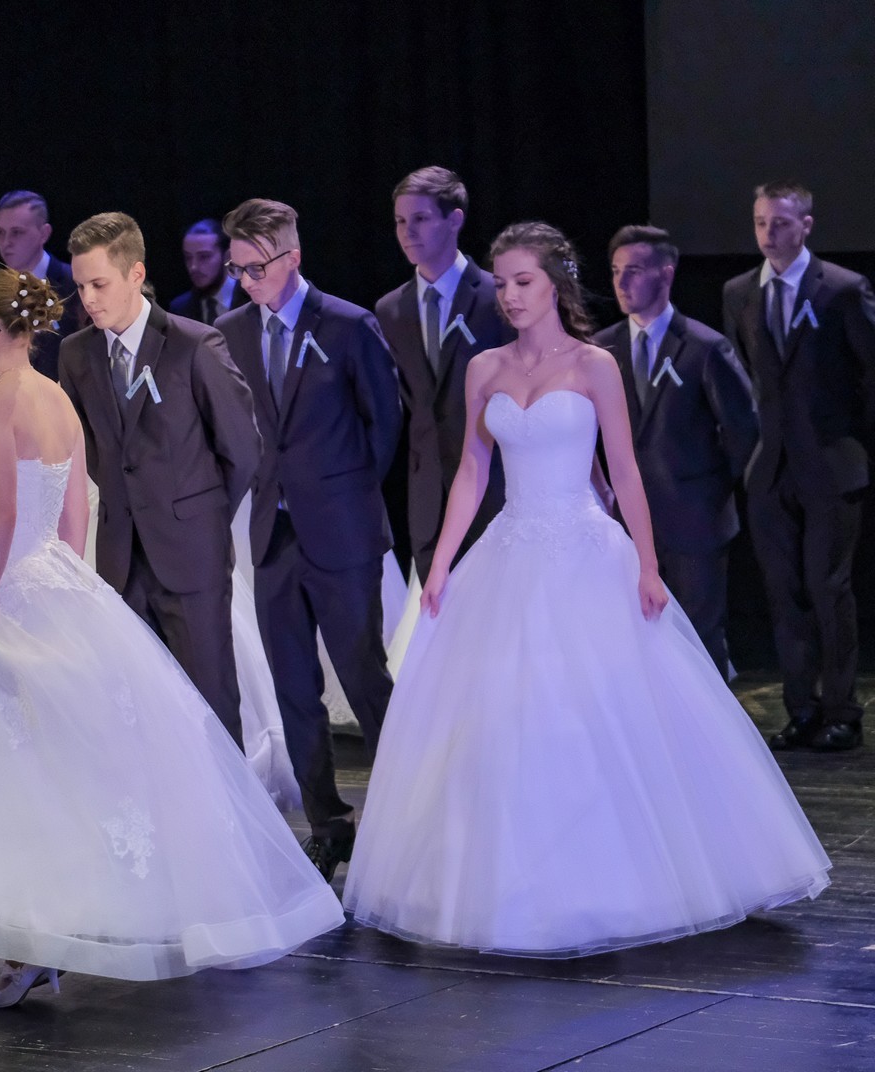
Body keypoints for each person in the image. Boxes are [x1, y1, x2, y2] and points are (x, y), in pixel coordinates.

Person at [0, 267, 342, 1006]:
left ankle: (29, 936)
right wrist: (66, 589)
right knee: (50, 768)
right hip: (57, 581)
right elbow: (74, 515)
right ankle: (37, 939)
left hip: (3, 586)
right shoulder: (57, 397)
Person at [344, 223, 830, 957]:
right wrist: (441, 562)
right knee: (505, 714)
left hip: (584, 549)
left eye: (524, 282)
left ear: (556, 284)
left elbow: (624, 470)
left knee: (594, 710)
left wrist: (646, 563)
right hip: (509, 550)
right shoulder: (484, 368)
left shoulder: (595, 364)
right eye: (502, 283)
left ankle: (619, 879)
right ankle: (510, 883)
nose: (510, 296)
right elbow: (472, 469)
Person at [216, 199, 402, 879]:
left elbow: (385, 422)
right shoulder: (231, 331)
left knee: (362, 674)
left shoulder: (349, 325)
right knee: (293, 687)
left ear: (292, 258)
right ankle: (328, 823)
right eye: (237, 269)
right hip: (273, 534)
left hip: (341, 529)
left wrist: (341, 493)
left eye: (256, 267)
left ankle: (404, 814)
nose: (246, 281)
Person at [56, 212, 259, 746]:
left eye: (99, 284)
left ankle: (222, 805)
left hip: (190, 553)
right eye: (80, 286)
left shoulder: (195, 345)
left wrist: (197, 512)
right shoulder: (76, 354)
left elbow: (241, 448)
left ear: (136, 274)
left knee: (210, 702)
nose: (88, 299)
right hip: (120, 556)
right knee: (138, 708)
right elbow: (90, 448)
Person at [722, 182, 875, 751]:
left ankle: (842, 711)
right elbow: (747, 376)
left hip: (831, 465)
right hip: (770, 469)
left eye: (781, 223)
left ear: (806, 225)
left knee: (828, 588)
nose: (769, 234)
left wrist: (852, 442)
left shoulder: (842, 289)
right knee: (783, 593)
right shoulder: (739, 292)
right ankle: (802, 709)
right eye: (761, 222)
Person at [595, 225, 757, 677]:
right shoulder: (601, 350)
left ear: (665, 274)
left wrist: (708, 487)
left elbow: (743, 429)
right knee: (633, 637)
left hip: (694, 519)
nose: (622, 282)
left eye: (634, 271)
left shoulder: (705, 347)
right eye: (616, 271)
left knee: (699, 638)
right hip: (625, 523)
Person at [373, 168, 512, 578]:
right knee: (440, 606)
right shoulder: (390, 310)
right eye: (400, 220)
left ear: (454, 220)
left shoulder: (497, 297)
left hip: (495, 484)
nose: (407, 231)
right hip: (427, 495)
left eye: (420, 218)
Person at [0, 190, 86, 378]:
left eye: (16, 232)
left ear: (44, 234)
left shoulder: (76, 284)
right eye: (0, 233)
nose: (6, 242)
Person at [169, 218, 237, 324]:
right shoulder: (179, 309)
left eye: (204, 257)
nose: (193, 267)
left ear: (227, 256)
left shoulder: (253, 298)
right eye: (188, 257)